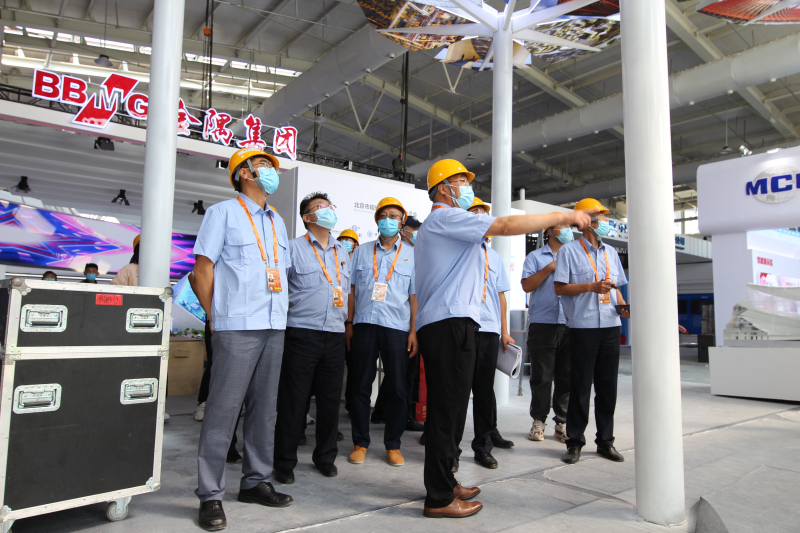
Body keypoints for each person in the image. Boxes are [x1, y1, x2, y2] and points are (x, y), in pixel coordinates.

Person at [414, 159, 592, 518]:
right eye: (461, 182)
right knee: (446, 411)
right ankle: (438, 498)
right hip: (447, 324)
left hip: (457, 322)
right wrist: (562, 217)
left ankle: (446, 480)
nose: (467, 188)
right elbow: (507, 224)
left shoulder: (454, 229)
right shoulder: (445, 217)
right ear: (443, 188)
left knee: (453, 409)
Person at [193, 147, 293, 531]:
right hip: (236, 325)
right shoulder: (222, 213)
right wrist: (214, 316)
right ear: (244, 173)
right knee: (223, 411)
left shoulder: (277, 221)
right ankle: (210, 494)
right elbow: (203, 269)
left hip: (274, 324)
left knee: (265, 410)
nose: (271, 171)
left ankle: (255, 482)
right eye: (264, 165)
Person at [273, 192, 350, 484]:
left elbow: (345, 291)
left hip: (335, 333)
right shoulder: (293, 248)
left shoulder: (342, 251)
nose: (327, 209)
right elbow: (280, 291)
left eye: (329, 205)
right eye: (320, 207)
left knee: (330, 402)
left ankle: (325, 457)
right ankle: (284, 462)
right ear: (307, 217)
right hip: (301, 333)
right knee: (294, 401)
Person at [553, 198, 630, 466]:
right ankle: (574, 442)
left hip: (610, 325)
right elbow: (560, 288)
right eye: (601, 216)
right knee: (580, 387)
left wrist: (623, 306)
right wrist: (590, 287)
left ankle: (605, 442)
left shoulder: (611, 253)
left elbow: (617, 288)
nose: (605, 221)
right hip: (583, 327)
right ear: (586, 221)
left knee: (608, 387)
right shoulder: (569, 252)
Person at [345, 197, 417, 468]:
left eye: (395, 216)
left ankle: (393, 444)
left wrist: (414, 330)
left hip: (397, 328)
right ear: (377, 220)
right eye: (384, 215)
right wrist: (349, 323)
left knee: (397, 388)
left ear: (402, 222)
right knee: (360, 386)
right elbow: (351, 290)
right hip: (364, 324)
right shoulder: (362, 252)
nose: (389, 220)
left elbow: (414, 296)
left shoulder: (412, 255)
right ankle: (360, 443)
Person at [463, 197, 515, 470]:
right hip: (462, 327)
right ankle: (448, 448)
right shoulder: (456, 250)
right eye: (474, 212)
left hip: (489, 330)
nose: (480, 218)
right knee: (458, 391)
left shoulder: (494, 257)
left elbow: (500, 297)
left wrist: (505, 331)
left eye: (484, 213)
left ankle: (483, 447)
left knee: (483, 391)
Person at [521, 217, 573, 443]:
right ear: (550, 231)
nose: (568, 230)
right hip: (543, 323)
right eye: (563, 226)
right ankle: (538, 421)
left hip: (571, 322)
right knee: (541, 377)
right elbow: (527, 285)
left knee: (566, 377)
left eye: (569, 226)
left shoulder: (575, 256)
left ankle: (562, 422)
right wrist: (550, 267)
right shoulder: (534, 257)